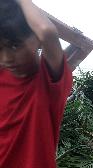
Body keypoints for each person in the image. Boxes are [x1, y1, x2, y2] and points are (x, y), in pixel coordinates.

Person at [0, 1, 74, 167]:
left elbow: (46, 31)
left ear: (37, 38)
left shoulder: (49, 79)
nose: (6, 58)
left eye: (15, 45)